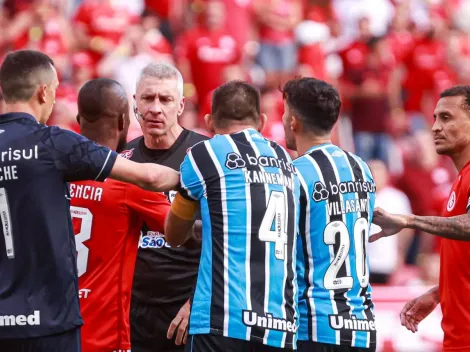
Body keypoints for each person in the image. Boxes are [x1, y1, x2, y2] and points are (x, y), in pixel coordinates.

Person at [0, 50, 178, 352]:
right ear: (43, 92)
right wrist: (191, 177)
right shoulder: (54, 144)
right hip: (51, 322)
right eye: (55, 91)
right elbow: (149, 181)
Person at [165, 80, 300, 351]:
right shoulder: (286, 159)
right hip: (280, 326)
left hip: (222, 323)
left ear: (209, 122)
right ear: (261, 121)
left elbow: (175, 235)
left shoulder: (204, 154)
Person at [69, 78, 172, 351]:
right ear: (122, 122)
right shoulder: (131, 183)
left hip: (54, 331)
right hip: (104, 337)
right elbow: (180, 230)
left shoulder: (54, 173)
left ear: (79, 119)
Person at [370, 85, 470, 351]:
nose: (436, 127)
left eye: (447, 118)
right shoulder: (460, 180)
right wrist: (441, 292)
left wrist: (409, 221)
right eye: (435, 118)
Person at [281, 77, 377, 352]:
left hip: (313, 327)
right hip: (362, 327)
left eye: (285, 112)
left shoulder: (294, 174)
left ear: (293, 121)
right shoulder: (362, 168)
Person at [126, 62, 208, 352]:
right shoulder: (122, 160)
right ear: (134, 103)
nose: (156, 108)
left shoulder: (205, 156)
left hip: (188, 308)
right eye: (148, 98)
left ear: (181, 104)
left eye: (166, 99)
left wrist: (197, 300)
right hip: (133, 312)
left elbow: (225, 239)